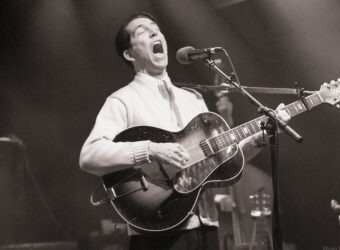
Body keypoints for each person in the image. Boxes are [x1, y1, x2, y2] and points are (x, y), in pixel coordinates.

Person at [79, 12, 290, 250]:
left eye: (156, 29)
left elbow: (222, 161)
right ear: (129, 54)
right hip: (157, 230)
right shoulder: (122, 100)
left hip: (207, 228)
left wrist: (260, 138)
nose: (154, 32)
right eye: (142, 32)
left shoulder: (193, 98)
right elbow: (90, 156)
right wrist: (151, 149)